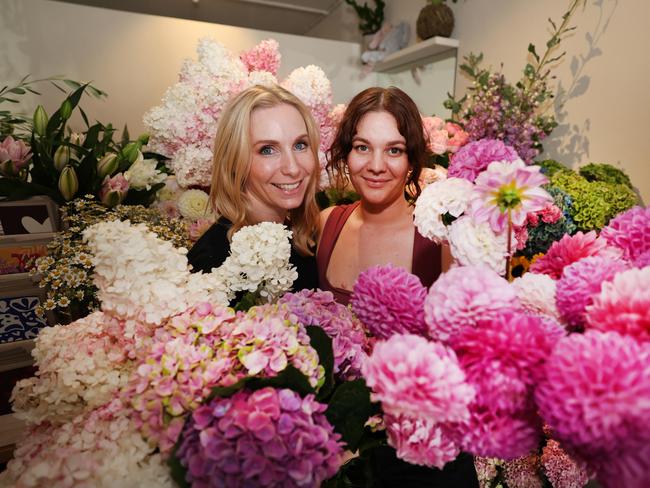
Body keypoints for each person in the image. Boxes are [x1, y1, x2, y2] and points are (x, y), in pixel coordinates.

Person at [318, 86, 478, 487]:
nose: (375, 165)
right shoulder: (325, 225)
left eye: (393, 150)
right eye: (361, 147)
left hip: (416, 459)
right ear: (344, 152)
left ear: (412, 159)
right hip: (339, 453)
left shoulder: (440, 237)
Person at [188, 85, 319, 292]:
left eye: (300, 145)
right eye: (267, 150)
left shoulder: (302, 241)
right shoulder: (216, 266)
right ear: (234, 161)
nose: (293, 168)